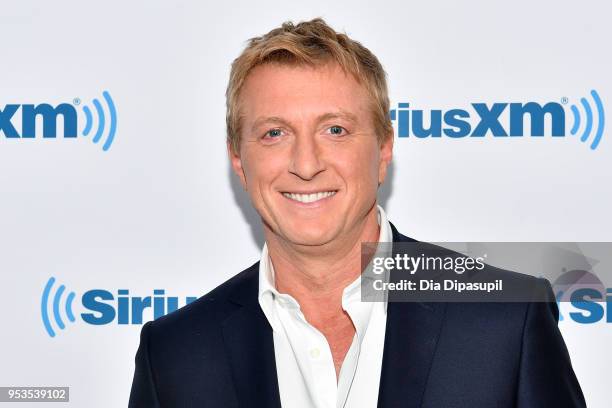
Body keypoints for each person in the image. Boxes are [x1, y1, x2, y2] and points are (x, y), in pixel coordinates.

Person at [128, 18, 585, 407]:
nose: (306, 164)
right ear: (237, 160)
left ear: (384, 149)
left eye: (335, 129)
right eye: (273, 133)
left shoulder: (504, 320)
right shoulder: (175, 355)